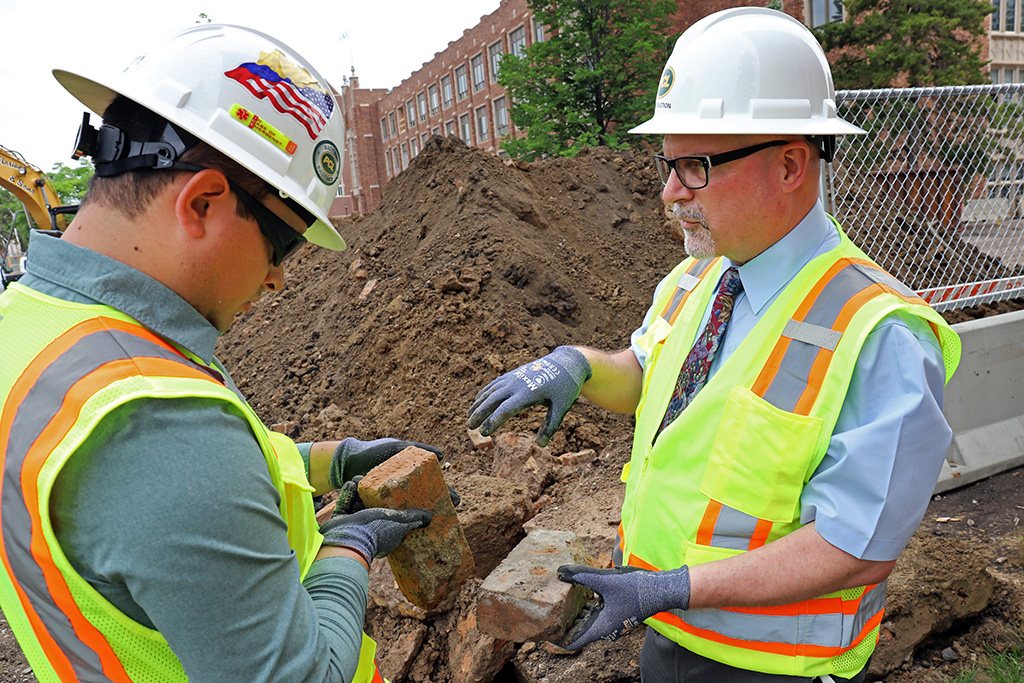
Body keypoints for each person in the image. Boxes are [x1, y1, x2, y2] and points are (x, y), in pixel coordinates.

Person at [467, 8, 961, 682]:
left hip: (773, 665)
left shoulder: (881, 335)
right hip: (672, 636)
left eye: (695, 166)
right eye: (667, 163)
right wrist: (578, 365)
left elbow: (856, 547)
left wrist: (672, 588)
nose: (670, 193)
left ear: (790, 164)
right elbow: (649, 373)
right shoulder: (698, 277)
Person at [0, 24, 437, 683]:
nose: (278, 278)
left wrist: (331, 461)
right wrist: (349, 547)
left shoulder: (37, 329)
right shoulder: (157, 421)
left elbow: (181, 495)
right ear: (202, 202)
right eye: (284, 244)